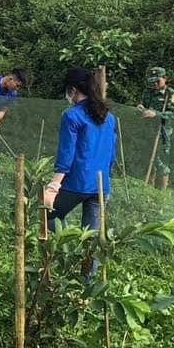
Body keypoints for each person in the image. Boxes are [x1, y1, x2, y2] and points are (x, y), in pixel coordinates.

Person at [43, 66, 117, 240]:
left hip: (77, 182)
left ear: (73, 90)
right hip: (101, 184)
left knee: (47, 217)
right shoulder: (109, 117)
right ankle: (89, 266)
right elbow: (111, 153)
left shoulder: (72, 116)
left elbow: (66, 153)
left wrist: (54, 185)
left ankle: (65, 247)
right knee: (92, 239)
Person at [136, 66, 174, 190]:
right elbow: (143, 107)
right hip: (148, 131)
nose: (155, 84)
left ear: (165, 78)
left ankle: (162, 193)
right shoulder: (147, 93)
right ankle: (149, 191)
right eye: (152, 81)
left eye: (158, 81)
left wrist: (156, 114)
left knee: (161, 161)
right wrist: (140, 109)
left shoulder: (170, 94)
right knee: (147, 159)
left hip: (163, 132)